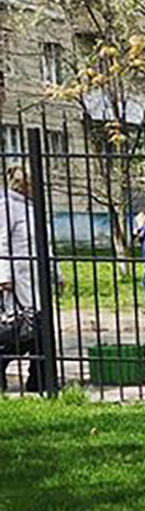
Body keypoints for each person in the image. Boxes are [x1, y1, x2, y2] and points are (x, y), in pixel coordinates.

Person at [0, 166, 57, 393]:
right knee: (23, 329)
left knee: (40, 328)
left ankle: (40, 381)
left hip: (36, 277)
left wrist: (55, 272)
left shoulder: (33, 208)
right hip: (18, 278)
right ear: (25, 185)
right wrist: (3, 276)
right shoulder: (6, 206)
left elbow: (44, 243)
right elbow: (1, 242)